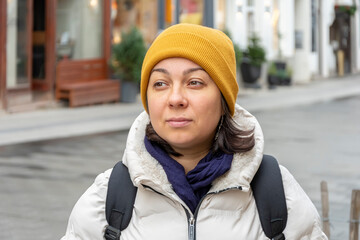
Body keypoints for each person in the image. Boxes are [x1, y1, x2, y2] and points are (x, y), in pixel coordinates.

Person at [61, 24, 327, 240]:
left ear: (224, 101)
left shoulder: (275, 193)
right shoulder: (108, 198)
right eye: (161, 83)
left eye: (195, 82)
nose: (175, 98)